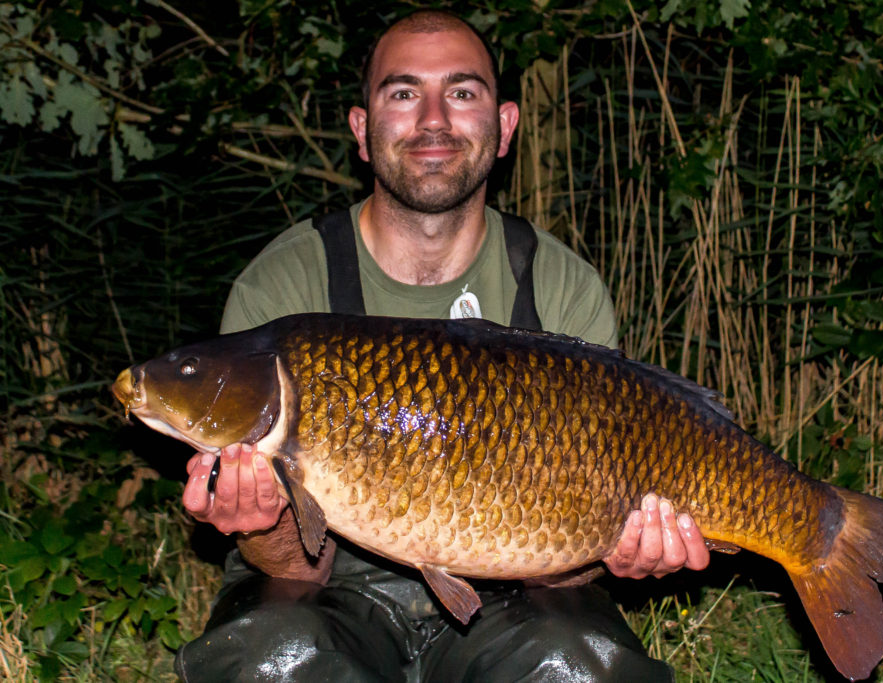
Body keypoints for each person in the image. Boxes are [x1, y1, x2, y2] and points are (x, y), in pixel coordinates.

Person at [174, 10, 709, 681]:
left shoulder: (559, 284)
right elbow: (297, 568)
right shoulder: (283, 285)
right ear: (362, 130)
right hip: (333, 593)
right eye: (403, 93)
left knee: (579, 667)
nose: (433, 120)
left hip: (516, 591)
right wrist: (259, 521)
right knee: (272, 658)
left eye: (461, 92)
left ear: (504, 126)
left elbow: (565, 570)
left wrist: (615, 544)